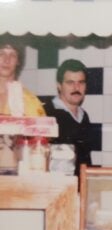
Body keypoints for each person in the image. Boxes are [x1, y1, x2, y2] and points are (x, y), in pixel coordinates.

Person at [0, 39, 46, 169]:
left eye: (12, 54)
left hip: (13, 173)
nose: (6, 59)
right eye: (1, 53)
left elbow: (40, 144)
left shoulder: (30, 100)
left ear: (18, 61)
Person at [43, 59, 92, 176]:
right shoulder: (46, 113)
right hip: (55, 188)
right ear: (59, 86)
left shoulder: (84, 116)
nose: (76, 88)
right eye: (70, 82)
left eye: (81, 82)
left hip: (80, 188)